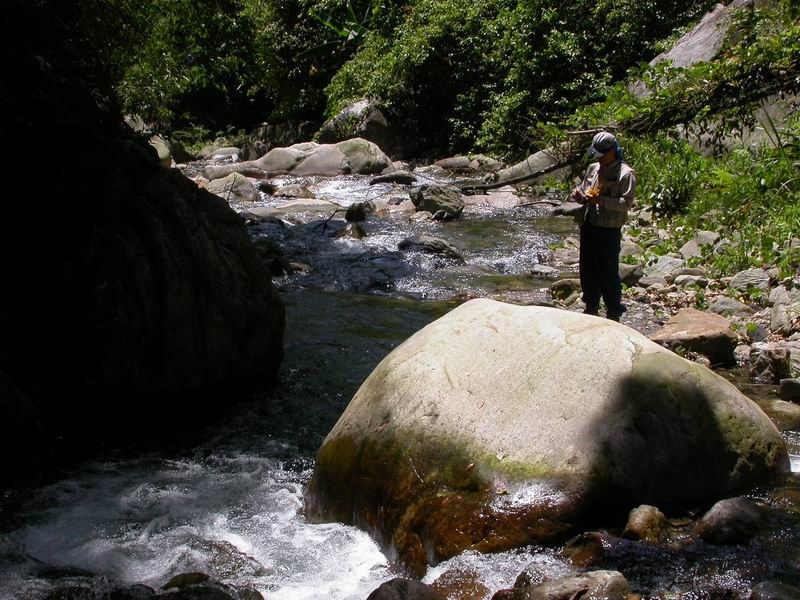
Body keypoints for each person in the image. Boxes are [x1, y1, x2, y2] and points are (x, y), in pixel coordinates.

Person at [570, 131, 636, 321]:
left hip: (609, 228)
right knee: (587, 268)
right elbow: (584, 190)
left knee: (607, 271)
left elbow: (625, 204)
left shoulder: (626, 174)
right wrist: (580, 195)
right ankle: (590, 306)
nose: (599, 159)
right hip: (589, 223)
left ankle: (613, 310)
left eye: (601, 155)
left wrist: (601, 201)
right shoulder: (593, 168)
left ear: (612, 152)